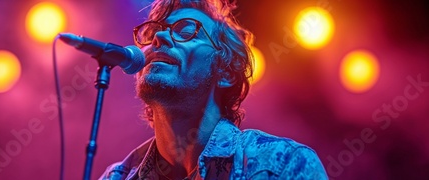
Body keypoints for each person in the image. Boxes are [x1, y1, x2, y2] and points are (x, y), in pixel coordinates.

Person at [100, 0, 328, 179]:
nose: (159, 37)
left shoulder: (282, 165)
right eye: (151, 34)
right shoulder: (115, 177)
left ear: (226, 72)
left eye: (186, 30)